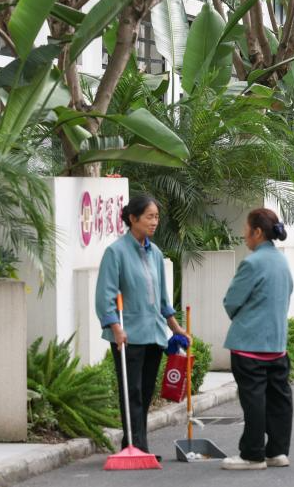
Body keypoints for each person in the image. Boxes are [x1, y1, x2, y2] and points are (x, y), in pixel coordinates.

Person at [95, 194, 188, 457]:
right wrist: (115, 328)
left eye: (156, 217)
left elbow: (162, 298)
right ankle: (136, 447)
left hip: (153, 334)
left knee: (145, 392)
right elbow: (104, 296)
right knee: (132, 391)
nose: (154, 222)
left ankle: (136, 445)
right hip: (128, 335)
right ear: (133, 218)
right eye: (149, 217)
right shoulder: (116, 252)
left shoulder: (155, 253)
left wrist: (175, 327)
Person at [221, 209, 294, 470]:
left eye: (246, 229)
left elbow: (231, 301)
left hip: (249, 344)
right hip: (276, 343)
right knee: (279, 399)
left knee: (253, 400)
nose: (244, 234)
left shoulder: (252, 263)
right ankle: (277, 452)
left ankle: (252, 454)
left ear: (257, 232)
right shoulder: (282, 261)